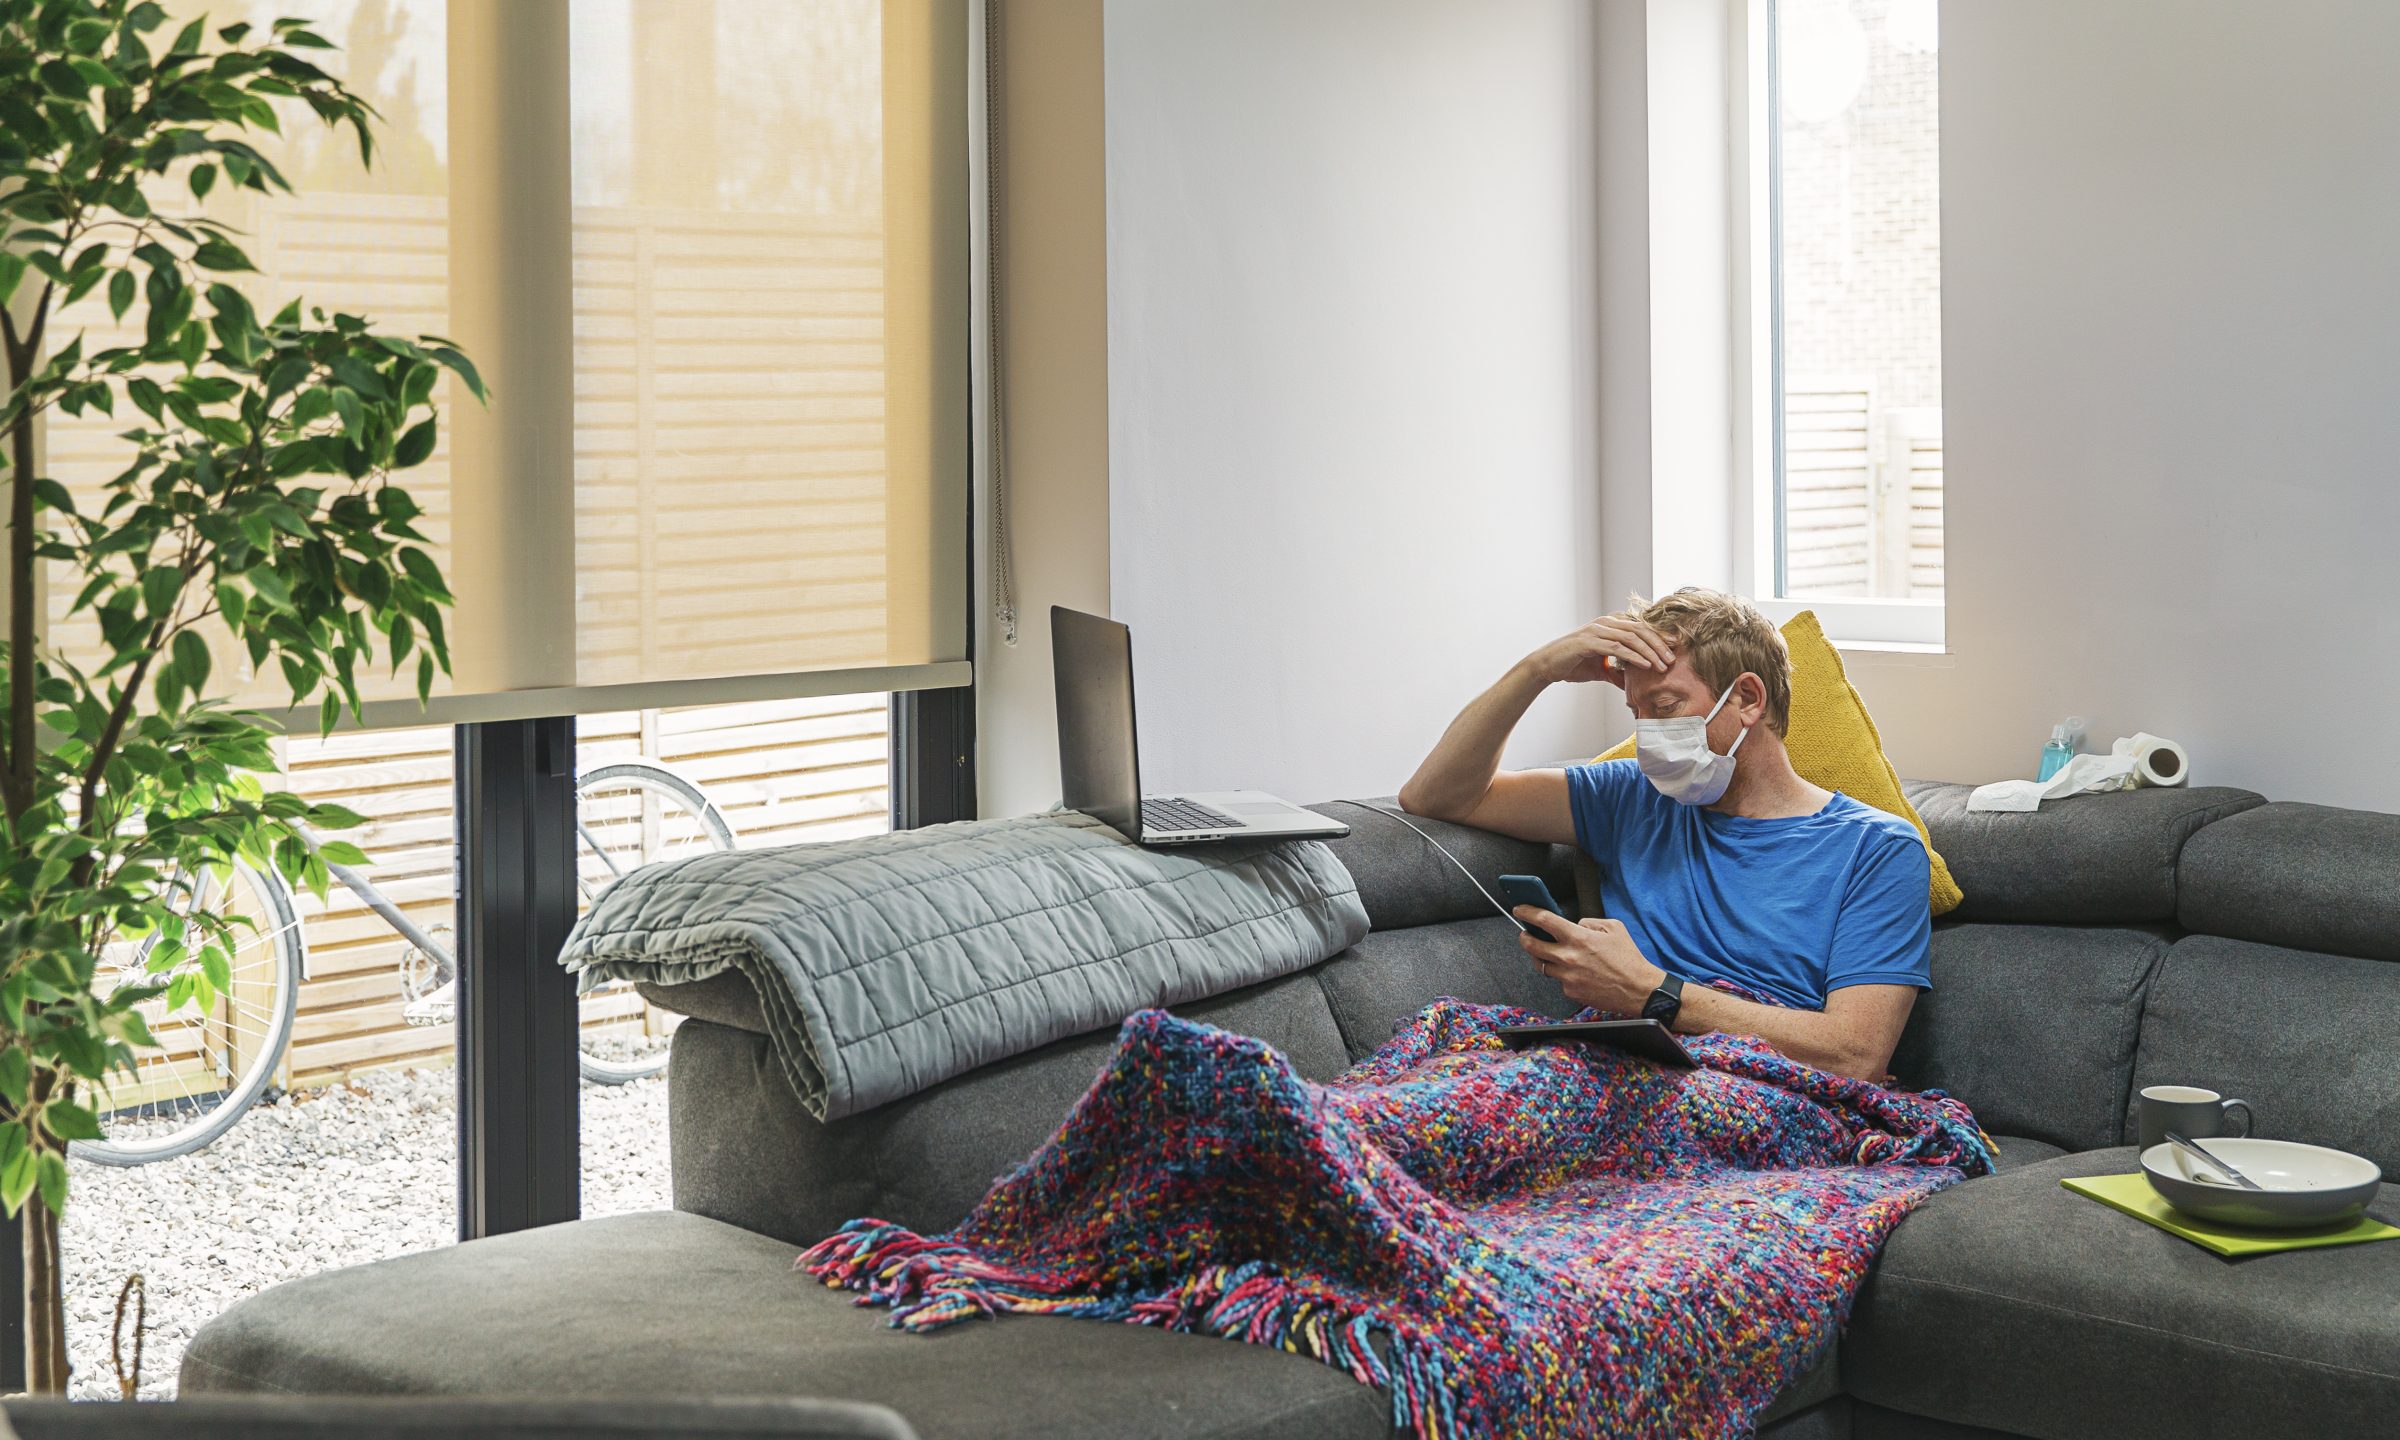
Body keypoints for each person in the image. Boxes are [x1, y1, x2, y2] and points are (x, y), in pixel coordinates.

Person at [1396, 587, 1930, 1083]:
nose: (1649, 734)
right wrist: (1537, 670)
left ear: (1748, 698)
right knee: (1433, 1057)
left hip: (1754, 1087)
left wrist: (1649, 990)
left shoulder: (1877, 849)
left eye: (1666, 708)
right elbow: (1436, 796)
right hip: (1611, 1064)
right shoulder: (1629, 796)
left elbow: (1856, 1055)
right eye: (1638, 713)